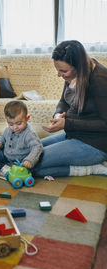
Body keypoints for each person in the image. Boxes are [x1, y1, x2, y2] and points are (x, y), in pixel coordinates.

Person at [31, 40, 107, 178]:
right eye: (58, 70)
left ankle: (92, 168)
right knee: (29, 153)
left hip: (96, 145)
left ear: (78, 66)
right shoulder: (74, 75)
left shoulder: (100, 80)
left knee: (32, 165)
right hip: (73, 134)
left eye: (63, 71)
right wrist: (58, 114)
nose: (59, 75)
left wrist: (67, 123)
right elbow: (63, 102)